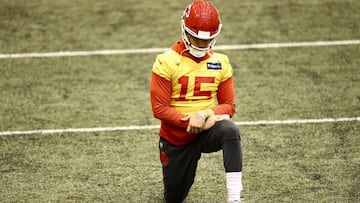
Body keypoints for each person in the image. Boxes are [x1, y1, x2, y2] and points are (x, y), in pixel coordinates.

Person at [150, 1, 243, 202]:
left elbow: (229, 105)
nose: (201, 44)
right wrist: (189, 121)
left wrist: (205, 115)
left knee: (229, 130)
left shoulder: (221, 62)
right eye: (196, 38)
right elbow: (159, 108)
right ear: (184, 30)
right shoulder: (166, 61)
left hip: (207, 130)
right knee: (174, 198)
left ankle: (235, 197)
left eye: (207, 40)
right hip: (177, 137)